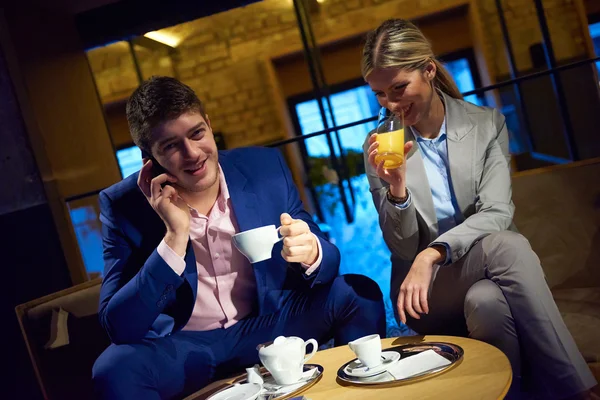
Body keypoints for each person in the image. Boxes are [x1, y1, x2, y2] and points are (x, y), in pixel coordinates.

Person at [92, 76, 385, 399]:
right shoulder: (123, 205)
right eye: (171, 146)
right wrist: (174, 237)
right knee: (114, 369)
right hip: (185, 346)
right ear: (149, 158)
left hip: (268, 326)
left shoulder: (263, 166)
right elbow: (118, 326)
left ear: (208, 123)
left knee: (359, 292)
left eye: (196, 134)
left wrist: (311, 251)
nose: (192, 154)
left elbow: (326, 262)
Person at [361, 19, 597, 399]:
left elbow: (497, 212)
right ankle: (579, 389)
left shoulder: (486, 124)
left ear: (429, 70)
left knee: (486, 303)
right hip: (427, 294)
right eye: (379, 95)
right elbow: (403, 250)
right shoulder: (378, 146)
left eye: (399, 88)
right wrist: (397, 190)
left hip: (474, 269)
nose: (391, 104)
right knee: (510, 246)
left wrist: (433, 252)